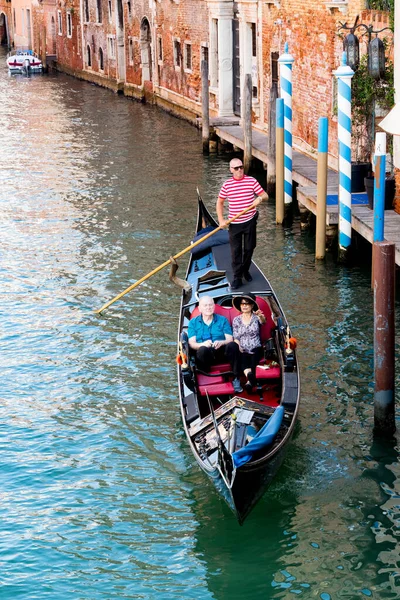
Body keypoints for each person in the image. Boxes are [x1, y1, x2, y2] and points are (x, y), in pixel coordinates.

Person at [216, 158, 269, 290]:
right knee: (236, 252)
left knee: (250, 248)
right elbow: (220, 202)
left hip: (250, 220)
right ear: (231, 170)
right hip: (234, 223)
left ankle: (245, 270)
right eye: (236, 168)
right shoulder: (227, 185)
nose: (239, 170)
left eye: (241, 167)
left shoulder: (251, 181)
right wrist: (221, 220)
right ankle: (237, 277)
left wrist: (260, 199)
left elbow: (265, 195)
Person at [188, 296, 243, 393]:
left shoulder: (223, 320)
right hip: (205, 355)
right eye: (205, 305)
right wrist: (203, 344)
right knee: (202, 350)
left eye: (210, 305)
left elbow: (229, 339)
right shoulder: (193, 322)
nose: (208, 308)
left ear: (214, 306)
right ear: (200, 308)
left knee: (233, 345)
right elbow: (192, 343)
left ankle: (236, 378)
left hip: (221, 352)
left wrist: (221, 342)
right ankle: (206, 380)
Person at [232, 293, 266, 393]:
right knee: (242, 358)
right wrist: (238, 346)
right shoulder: (236, 320)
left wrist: (260, 316)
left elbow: (263, 322)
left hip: (256, 346)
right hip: (243, 347)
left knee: (254, 357)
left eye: (247, 304)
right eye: (243, 304)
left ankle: (249, 382)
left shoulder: (257, 318)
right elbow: (236, 336)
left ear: (252, 306)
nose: (245, 306)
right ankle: (250, 378)